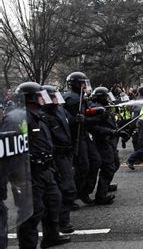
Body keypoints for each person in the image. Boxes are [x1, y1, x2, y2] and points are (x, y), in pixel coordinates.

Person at [15, 82, 71, 249]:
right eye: (40, 95)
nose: (43, 98)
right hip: (30, 172)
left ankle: (51, 236)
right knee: (32, 213)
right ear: (30, 98)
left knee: (54, 201)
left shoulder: (39, 115)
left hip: (46, 168)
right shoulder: (21, 118)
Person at [41, 85, 77, 233]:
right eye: (53, 97)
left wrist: (78, 119)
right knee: (66, 189)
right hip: (57, 156)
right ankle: (62, 222)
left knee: (66, 188)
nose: (57, 99)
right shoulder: (44, 117)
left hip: (67, 154)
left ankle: (61, 221)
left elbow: (71, 122)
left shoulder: (61, 110)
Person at [63, 72, 101, 205]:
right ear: (77, 83)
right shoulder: (71, 99)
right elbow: (78, 121)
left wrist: (96, 112)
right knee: (82, 166)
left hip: (84, 134)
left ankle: (84, 191)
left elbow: (86, 113)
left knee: (95, 161)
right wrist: (96, 119)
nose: (85, 85)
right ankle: (73, 195)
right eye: (83, 83)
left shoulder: (79, 97)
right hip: (76, 136)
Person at [88, 87, 126, 205]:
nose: (109, 99)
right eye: (106, 97)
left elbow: (110, 123)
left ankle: (105, 185)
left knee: (115, 163)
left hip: (109, 140)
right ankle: (101, 196)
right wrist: (113, 132)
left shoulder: (104, 108)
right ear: (101, 97)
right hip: (101, 141)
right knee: (108, 167)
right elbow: (95, 128)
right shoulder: (96, 109)